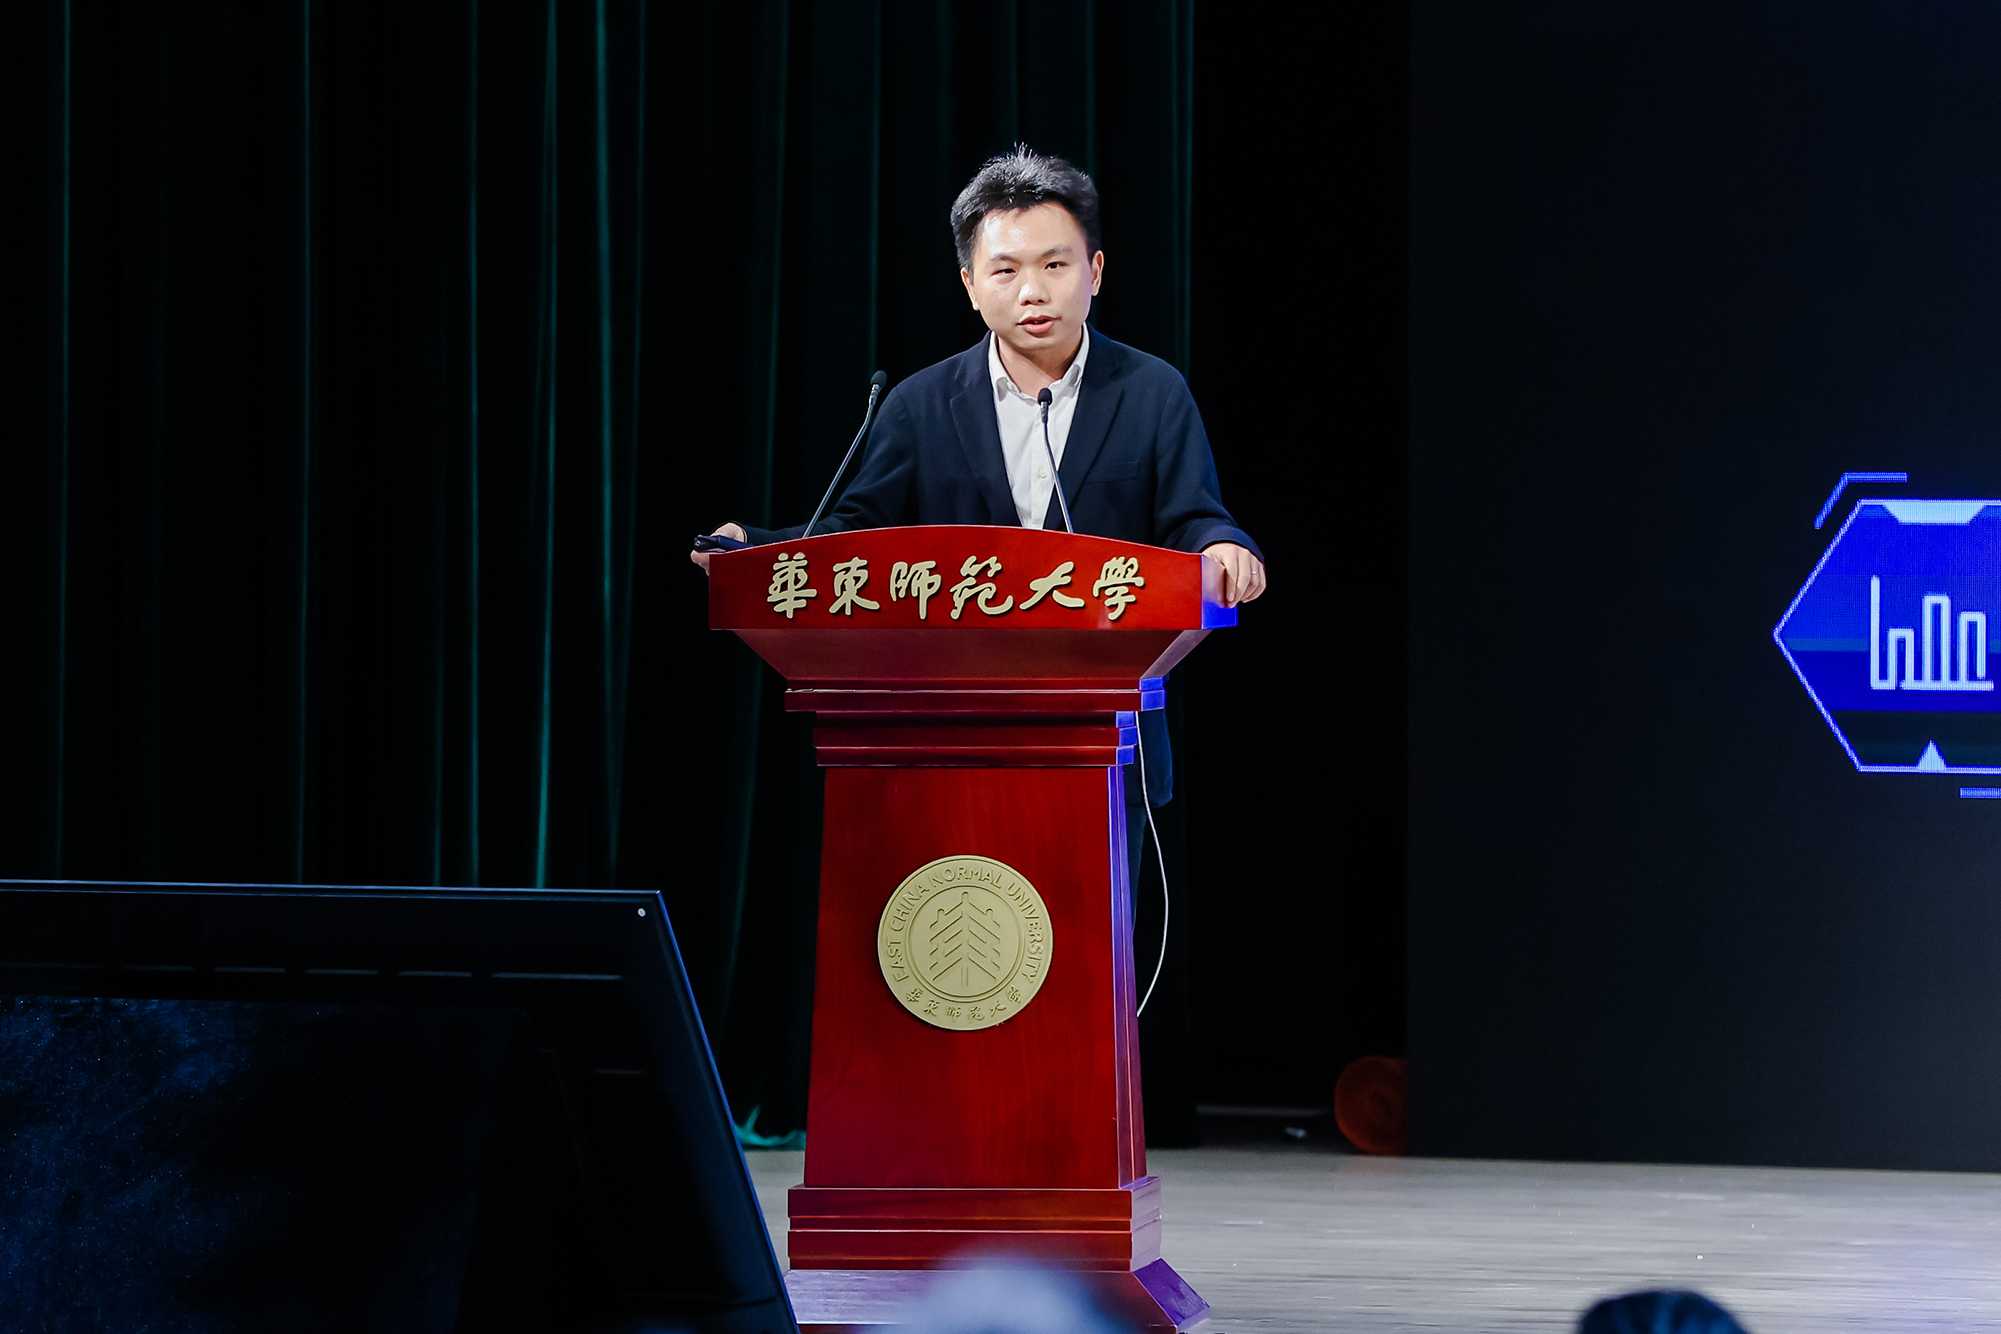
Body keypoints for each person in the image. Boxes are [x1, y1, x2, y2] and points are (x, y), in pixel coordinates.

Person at [693, 146, 1266, 879]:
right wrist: (756, 549)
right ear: (970, 285)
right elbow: (853, 538)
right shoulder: (919, 403)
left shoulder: (1153, 392)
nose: (1033, 291)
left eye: (1055, 265)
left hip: (1105, 737)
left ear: (1094, 271)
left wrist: (1222, 544)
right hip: (941, 736)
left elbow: (1192, 517)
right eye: (1005, 270)